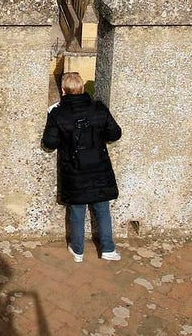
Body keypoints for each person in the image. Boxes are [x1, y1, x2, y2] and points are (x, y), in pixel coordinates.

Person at [41, 72, 122, 263]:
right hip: (99, 167)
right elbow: (115, 133)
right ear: (83, 88)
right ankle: (108, 249)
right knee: (102, 208)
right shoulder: (98, 109)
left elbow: (50, 142)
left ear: (63, 90)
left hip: (74, 169)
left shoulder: (58, 113)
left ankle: (78, 250)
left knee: (77, 210)